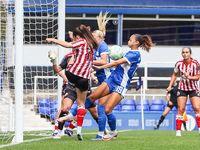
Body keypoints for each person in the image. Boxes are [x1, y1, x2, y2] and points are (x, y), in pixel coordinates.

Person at [64, 34, 154, 141]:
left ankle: (113, 131)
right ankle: (71, 115)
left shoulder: (135, 54)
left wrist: (101, 66)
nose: (128, 41)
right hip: (112, 79)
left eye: (130, 39)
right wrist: (117, 65)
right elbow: (119, 64)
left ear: (136, 43)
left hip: (121, 84)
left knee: (107, 109)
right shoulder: (129, 52)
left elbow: (116, 62)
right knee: (92, 96)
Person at [61, 11, 114, 140]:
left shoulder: (103, 46)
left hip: (107, 80)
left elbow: (103, 61)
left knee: (99, 107)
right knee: (87, 103)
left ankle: (103, 133)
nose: (93, 39)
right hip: (97, 79)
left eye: (94, 37)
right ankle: (72, 126)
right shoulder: (92, 46)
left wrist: (87, 62)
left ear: (100, 38)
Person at [46, 24, 98, 140]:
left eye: (74, 37)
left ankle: (70, 127)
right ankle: (65, 130)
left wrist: (53, 39)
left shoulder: (81, 42)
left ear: (77, 37)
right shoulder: (91, 45)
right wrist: (54, 61)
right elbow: (57, 70)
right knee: (74, 106)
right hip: (82, 79)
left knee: (85, 108)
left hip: (72, 76)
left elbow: (68, 44)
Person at [166, 47, 200, 136]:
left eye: (187, 52)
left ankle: (199, 129)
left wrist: (188, 77)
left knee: (197, 108)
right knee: (181, 109)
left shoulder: (195, 64)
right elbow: (174, 75)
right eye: (183, 52)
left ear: (190, 54)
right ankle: (178, 131)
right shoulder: (178, 64)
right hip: (182, 88)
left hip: (193, 88)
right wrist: (170, 85)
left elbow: (197, 77)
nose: (185, 54)